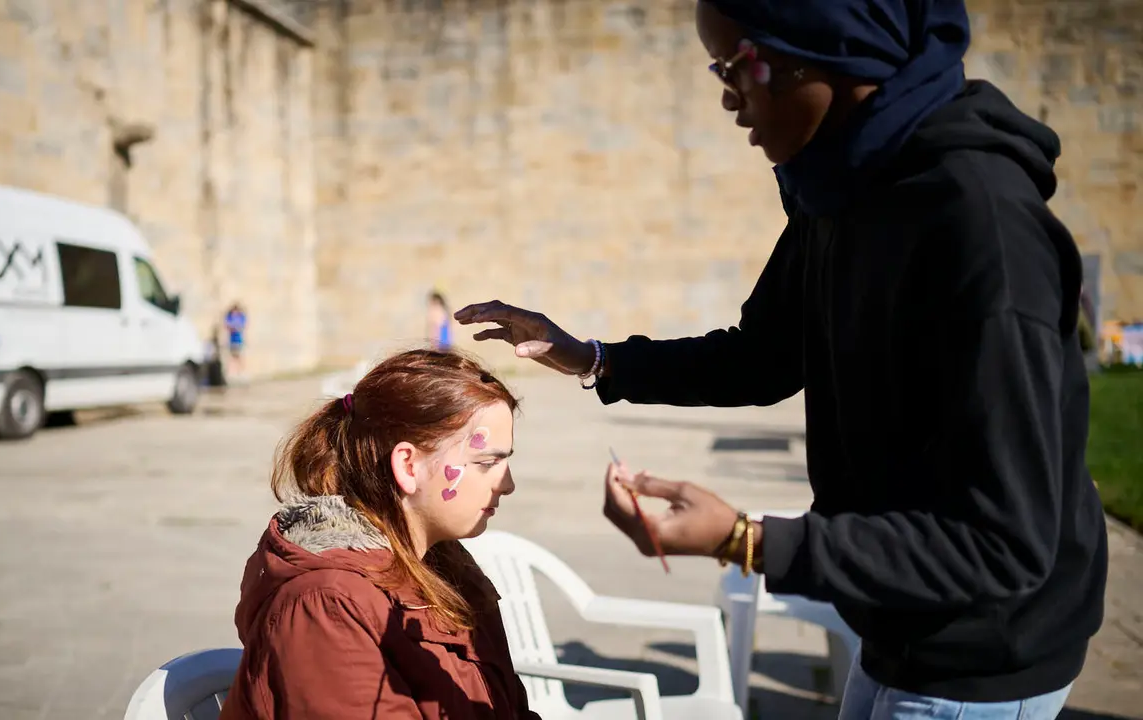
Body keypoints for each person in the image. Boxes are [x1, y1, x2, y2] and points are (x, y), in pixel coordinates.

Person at [456, 1, 1108, 718]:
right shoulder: (837, 188)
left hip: (981, 654)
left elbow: (1004, 543)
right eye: (718, 70)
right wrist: (593, 358)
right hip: (898, 622)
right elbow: (763, 357)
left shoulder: (980, 230)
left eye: (738, 67)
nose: (729, 99)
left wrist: (745, 541)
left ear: (829, 51)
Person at [220, 349, 540, 720]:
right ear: (408, 465)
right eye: (487, 463)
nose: (508, 484)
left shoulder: (450, 572)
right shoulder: (324, 607)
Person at [225, 303, 248, 378]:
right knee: (232, 357)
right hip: (232, 340)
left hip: (239, 340)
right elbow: (227, 326)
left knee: (240, 356)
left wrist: (235, 327)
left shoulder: (241, 317)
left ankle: (241, 372)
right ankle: (232, 373)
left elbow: (242, 326)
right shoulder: (230, 317)